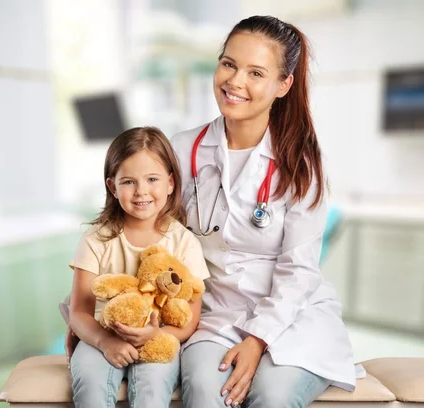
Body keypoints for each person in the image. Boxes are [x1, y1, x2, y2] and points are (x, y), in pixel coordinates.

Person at [171, 15, 356, 408]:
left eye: (255, 72)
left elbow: (299, 269)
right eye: (228, 64)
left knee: (272, 395)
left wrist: (258, 339)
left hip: (294, 316)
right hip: (216, 313)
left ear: (283, 85)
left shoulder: (301, 161)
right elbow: (147, 235)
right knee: (206, 390)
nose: (235, 82)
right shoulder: (182, 149)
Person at [63, 126, 210, 408]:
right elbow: (80, 313)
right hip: (102, 335)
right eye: (129, 182)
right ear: (112, 187)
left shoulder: (184, 241)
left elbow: (190, 318)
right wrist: (105, 342)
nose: (141, 191)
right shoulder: (96, 239)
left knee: (151, 388)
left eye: (152, 179)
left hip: (159, 338)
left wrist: (159, 335)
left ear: (170, 183)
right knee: (90, 385)